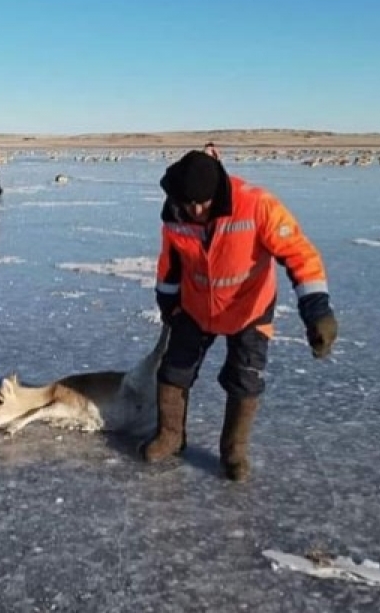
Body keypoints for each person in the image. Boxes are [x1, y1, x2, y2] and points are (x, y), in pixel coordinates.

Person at [144, 150, 338, 481]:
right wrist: (168, 302)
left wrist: (316, 309)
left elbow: (300, 254)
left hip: (249, 309)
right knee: (173, 372)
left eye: (203, 202)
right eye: (190, 203)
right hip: (194, 308)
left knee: (245, 379)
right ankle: (171, 436)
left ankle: (233, 452)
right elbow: (170, 263)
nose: (197, 210)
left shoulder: (257, 205)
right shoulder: (175, 213)